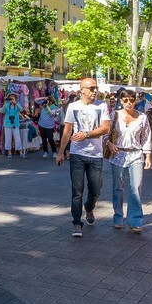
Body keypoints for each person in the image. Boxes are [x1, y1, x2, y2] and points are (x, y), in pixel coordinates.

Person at [56, 77, 111, 238]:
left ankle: (89, 207)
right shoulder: (73, 107)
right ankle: (76, 223)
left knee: (96, 188)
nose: (95, 91)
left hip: (96, 155)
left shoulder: (101, 106)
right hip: (77, 154)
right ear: (82, 90)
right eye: (91, 88)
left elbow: (106, 128)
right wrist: (61, 152)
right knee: (77, 191)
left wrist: (86, 134)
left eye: (96, 88)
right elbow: (67, 131)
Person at [107, 90, 148, 231]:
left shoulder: (142, 117)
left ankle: (135, 220)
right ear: (121, 100)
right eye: (125, 100)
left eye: (132, 100)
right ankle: (118, 217)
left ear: (136, 101)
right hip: (118, 154)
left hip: (136, 154)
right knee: (118, 187)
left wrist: (148, 155)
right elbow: (105, 134)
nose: (129, 103)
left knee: (136, 187)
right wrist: (109, 144)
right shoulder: (114, 115)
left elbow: (146, 137)